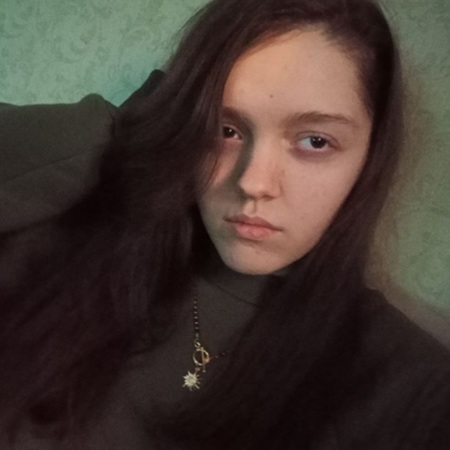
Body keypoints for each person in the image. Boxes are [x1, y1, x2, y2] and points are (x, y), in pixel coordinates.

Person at [0, 0, 449, 448]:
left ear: (371, 155)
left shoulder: (409, 386)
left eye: (315, 141)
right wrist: (146, 133)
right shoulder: (76, 238)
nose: (254, 183)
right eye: (226, 130)